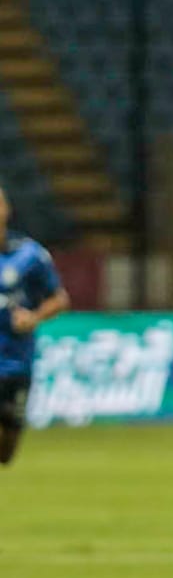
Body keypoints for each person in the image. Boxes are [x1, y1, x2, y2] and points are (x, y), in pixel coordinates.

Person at [0, 183, 69, 467]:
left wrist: (34, 317)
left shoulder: (29, 255)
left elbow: (60, 299)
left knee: (6, 452)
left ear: (6, 210)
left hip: (16, 363)